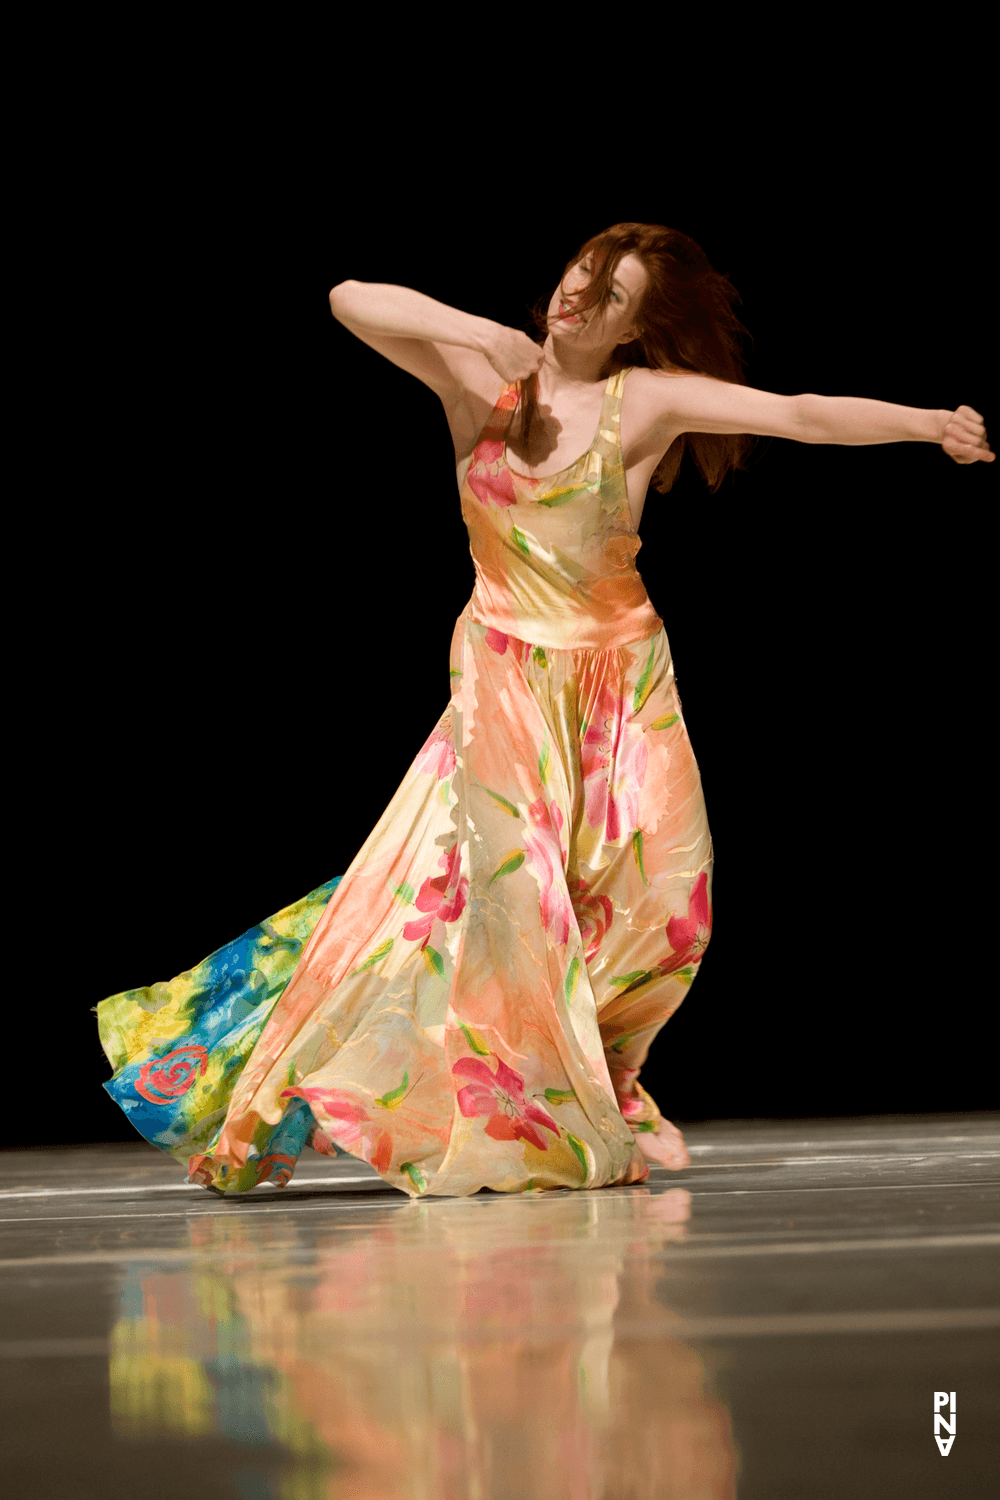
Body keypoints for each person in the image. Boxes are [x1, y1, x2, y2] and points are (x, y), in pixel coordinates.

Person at [96, 222, 993, 1199]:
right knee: (516, 906)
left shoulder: (638, 402)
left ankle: (610, 1081)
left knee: (664, 907)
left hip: (619, 678)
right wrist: (485, 336)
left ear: (634, 325)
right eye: (582, 274)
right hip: (505, 678)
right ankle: (550, 1106)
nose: (582, 297)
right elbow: (348, 296)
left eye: (612, 294)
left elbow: (798, 411)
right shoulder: (481, 386)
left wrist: (926, 423)